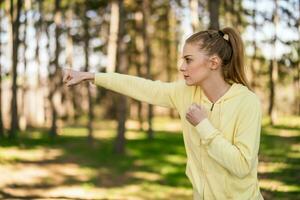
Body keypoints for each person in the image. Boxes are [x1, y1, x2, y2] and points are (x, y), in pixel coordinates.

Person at [63, 27, 264, 200]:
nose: (181, 67)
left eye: (188, 60)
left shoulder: (247, 102)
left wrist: (203, 125)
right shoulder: (185, 93)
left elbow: (242, 166)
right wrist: (92, 76)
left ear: (213, 63)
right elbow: (141, 87)